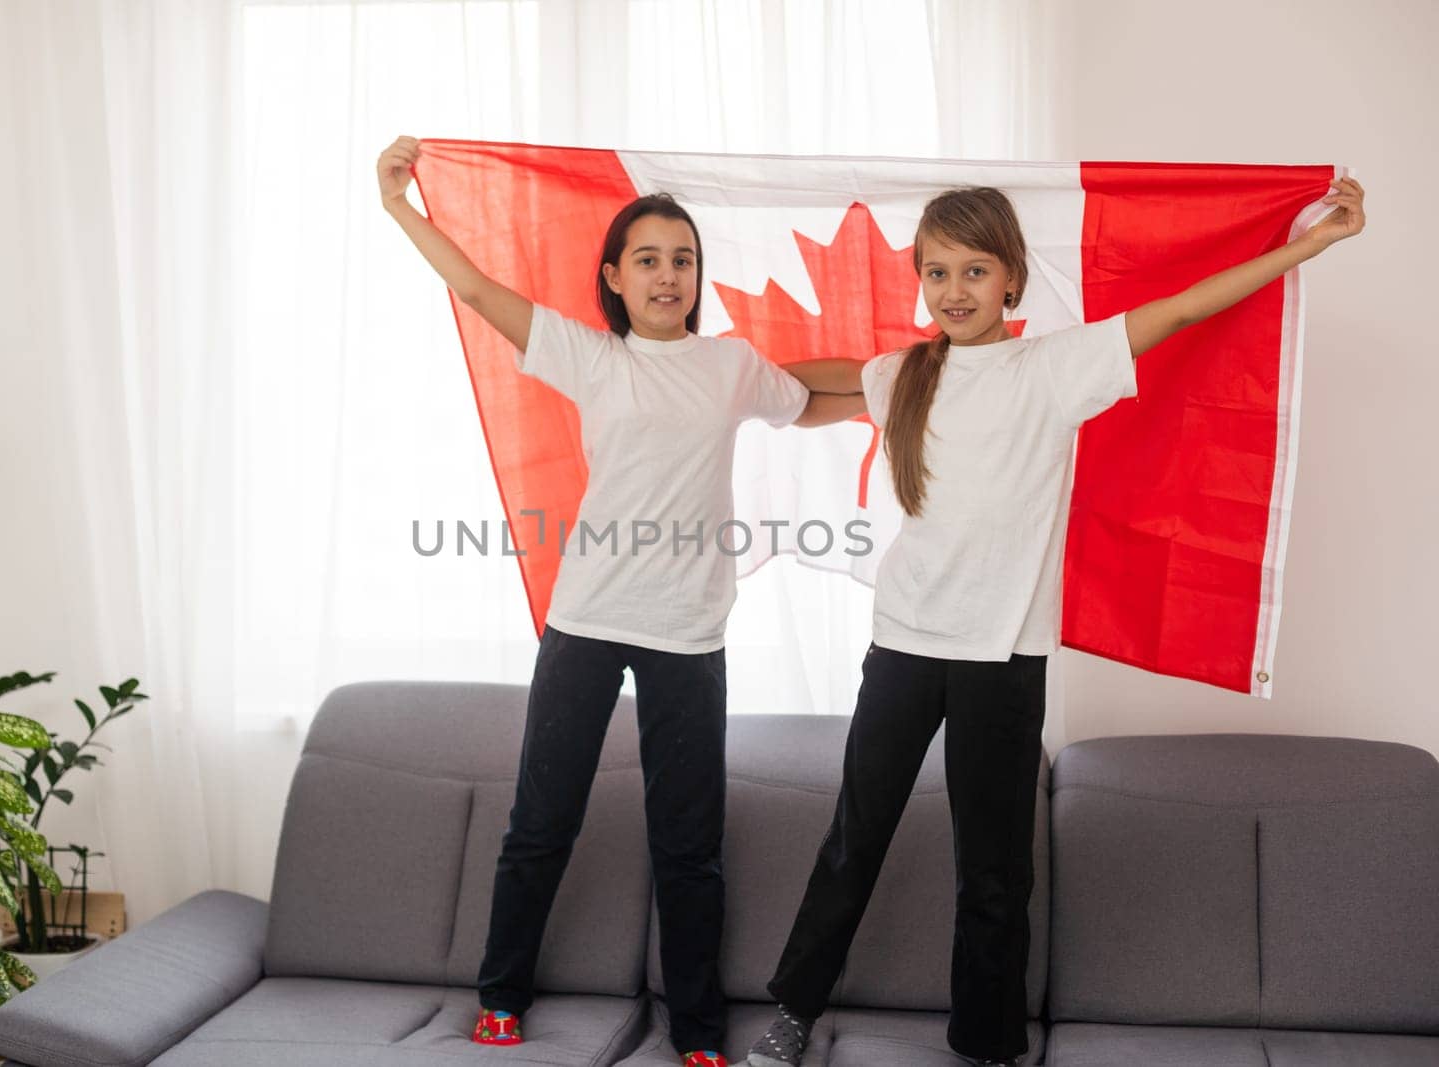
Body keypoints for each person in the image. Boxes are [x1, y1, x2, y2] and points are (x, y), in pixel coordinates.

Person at [745, 177, 1366, 1067]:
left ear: (1011, 280)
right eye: (935, 272)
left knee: (994, 870)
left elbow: (1185, 307)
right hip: (904, 648)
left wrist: (1312, 244)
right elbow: (812, 388)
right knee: (857, 835)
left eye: (973, 269)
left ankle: (988, 1043)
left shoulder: (1056, 367)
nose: (953, 289)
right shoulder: (905, 375)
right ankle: (795, 1008)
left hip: (1003, 658)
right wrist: (717, 379)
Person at [378, 135, 860, 1067]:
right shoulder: (590, 356)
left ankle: (697, 1033)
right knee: (541, 820)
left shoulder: (728, 366)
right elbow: (478, 292)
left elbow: (813, 396)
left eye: (683, 259)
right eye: (649, 258)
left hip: (688, 634)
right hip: (587, 623)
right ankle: (500, 997)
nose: (668, 273)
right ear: (616, 276)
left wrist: (912, 378)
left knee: (690, 846)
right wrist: (401, 206)